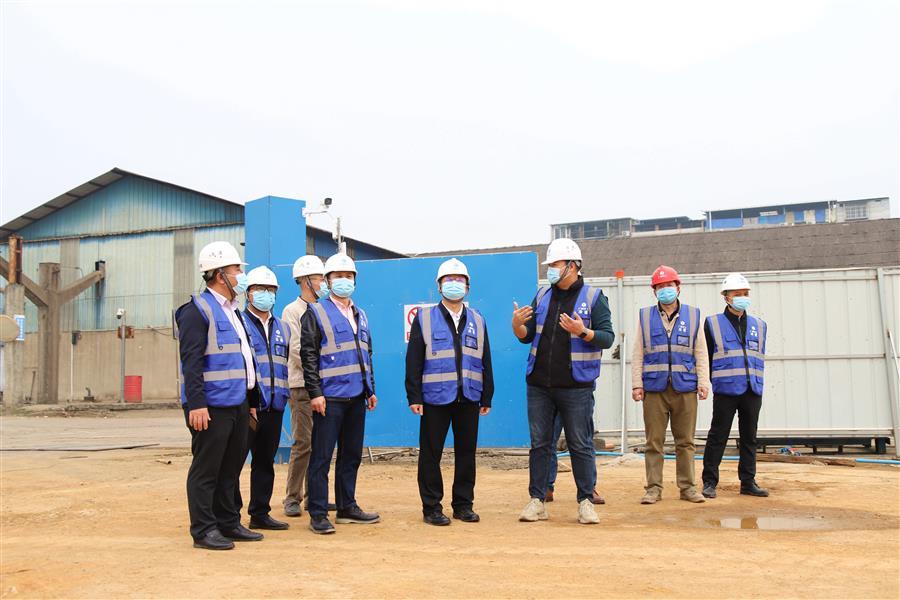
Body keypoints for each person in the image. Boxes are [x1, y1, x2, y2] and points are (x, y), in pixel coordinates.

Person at [511, 238, 615, 525]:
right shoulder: (543, 295)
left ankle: (585, 502)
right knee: (540, 444)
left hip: (576, 387)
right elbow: (527, 335)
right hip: (539, 386)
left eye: (556, 264)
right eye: (551, 265)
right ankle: (537, 500)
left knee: (580, 444)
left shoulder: (594, 298)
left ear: (573, 265)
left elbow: (607, 337)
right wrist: (517, 325)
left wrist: (583, 331)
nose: (551, 270)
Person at [176, 241, 264, 550]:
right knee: (207, 469)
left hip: (237, 403)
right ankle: (203, 530)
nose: (241, 274)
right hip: (211, 406)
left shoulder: (234, 311)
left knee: (230, 468)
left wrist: (251, 402)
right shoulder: (196, 311)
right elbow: (191, 363)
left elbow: (244, 360)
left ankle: (228, 522)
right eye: (237, 269)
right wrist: (196, 404)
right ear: (219, 274)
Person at [405, 258, 494, 526]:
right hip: (435, 397)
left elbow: (485, 358)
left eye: (459, 280)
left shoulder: (477, 319)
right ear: (439, 285)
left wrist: (486, 395)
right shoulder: (424, 318)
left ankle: (463, 505)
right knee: (431, 454)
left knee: (466, 453)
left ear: (467, 286)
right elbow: (414, 359)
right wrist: (414, 396)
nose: (454, 284)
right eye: (448, 280)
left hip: (469, 396)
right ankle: (432, 507)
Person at [300, 253, 380, 534]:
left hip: (356, 396)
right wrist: (315, 393)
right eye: (338, 276)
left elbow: (366, 354)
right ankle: (318, 513)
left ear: (354, 280)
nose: (343, 280)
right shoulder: (315, 312)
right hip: (329, 398)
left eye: (348, 276)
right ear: (327, 281)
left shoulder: (361, 314)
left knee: (351, 455)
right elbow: (308, 356)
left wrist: (370, 389)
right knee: (321, 458)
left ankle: (347, 507)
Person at [631, 265, 709, 505]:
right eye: (660, 287)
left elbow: (700, 352)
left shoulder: (693, 315)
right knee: (653, 442)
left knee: (685, 442)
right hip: (654, 389)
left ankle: (688, 488)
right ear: (654, 291)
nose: (665, 290)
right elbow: (638, 352)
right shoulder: (645, 316)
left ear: (678, 287)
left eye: (669, 285)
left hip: (685, 388)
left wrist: (703, 381)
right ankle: (653, 488)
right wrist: (636, 384)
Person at [702, 273, 769, 499]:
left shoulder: (760, 325)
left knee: (750, 437)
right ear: (726, 297)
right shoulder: (712, 324)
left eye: (745, 293)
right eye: (737, 294)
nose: (742, 297)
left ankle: (748, 482)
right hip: (726, 389)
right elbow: (707, 357)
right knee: (718, 436)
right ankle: (709, 482)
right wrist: (709, 382)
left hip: (752, 389)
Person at [237, 266, 291, 530]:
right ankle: (229, 516)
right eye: (260, 289)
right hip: (248, 408)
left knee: (265, 462)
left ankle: (260, 513)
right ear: (248, 293)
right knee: (234, 463)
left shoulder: (283, 328)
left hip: (275, 405)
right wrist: (247, 401)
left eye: (270, 290)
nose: (265, 294)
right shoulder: (239, 323)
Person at [280, 255, 331, 518]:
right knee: (303, 442)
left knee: (321, 444)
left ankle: (316, 497)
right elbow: (297, 349)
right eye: (320, 278)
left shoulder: (326, 310)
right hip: (302, 385)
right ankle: (292, 497)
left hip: (326, 386)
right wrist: (319, 372)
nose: (324, 283)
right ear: (305, 280)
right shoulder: (292, 311)